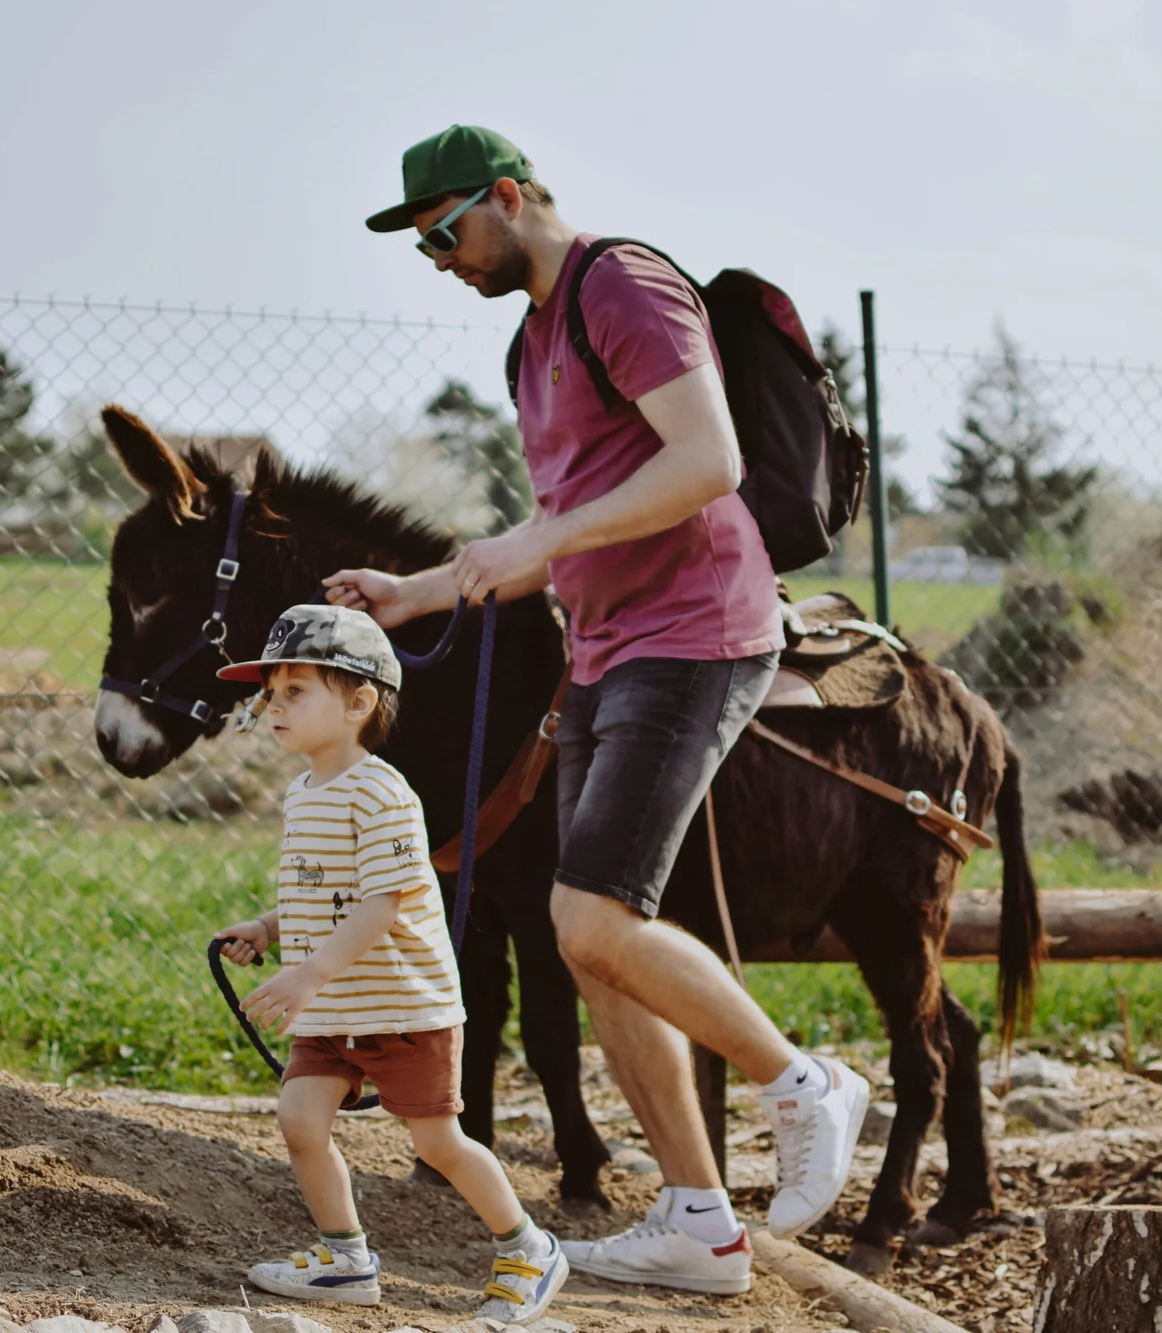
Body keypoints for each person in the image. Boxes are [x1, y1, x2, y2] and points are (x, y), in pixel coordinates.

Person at [327, 125, 870, 1295]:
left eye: (442, 234)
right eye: (420, 248)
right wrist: (415, 592)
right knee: (600, 949)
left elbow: (707, 460)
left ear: (507, 196)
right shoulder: (530, 343)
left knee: (588, 919)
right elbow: (557, 523)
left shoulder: (618, 285)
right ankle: (698, 1222)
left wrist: (544, 541)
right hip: (606, 651)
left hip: (693, 635)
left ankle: (803, 1083)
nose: (436, 260)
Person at [211, 603, 569, 1323]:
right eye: (270, 693)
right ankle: (345, 1257)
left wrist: (308, 974)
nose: (274, 706)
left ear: (359, 703)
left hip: (404, 1004)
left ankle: (529, 1248)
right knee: (300, 1118)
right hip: (334, 1007)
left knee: (438, 1142)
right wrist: (270, 928)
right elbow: (324, 895)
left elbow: (382, 904)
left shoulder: (381, 793)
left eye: (295, 690)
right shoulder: (303, 793)